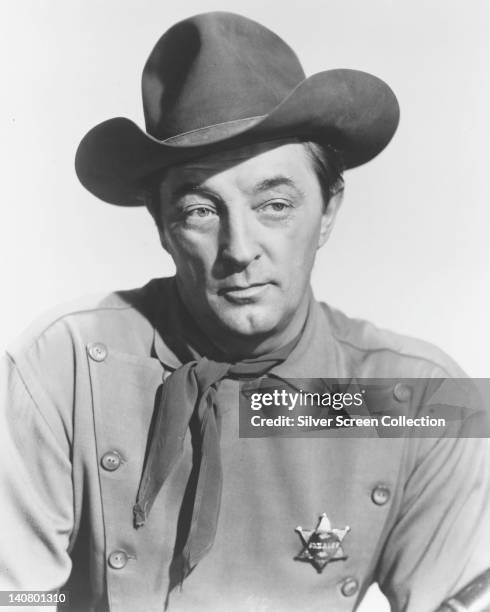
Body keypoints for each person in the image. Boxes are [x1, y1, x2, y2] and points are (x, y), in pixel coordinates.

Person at [1, 11, 488, 612]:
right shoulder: (59, 365)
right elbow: (15, 597)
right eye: (200, 211)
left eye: (275, 204)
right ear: (161, 226)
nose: (239, 250)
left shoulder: (425, 396)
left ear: (329, 209)